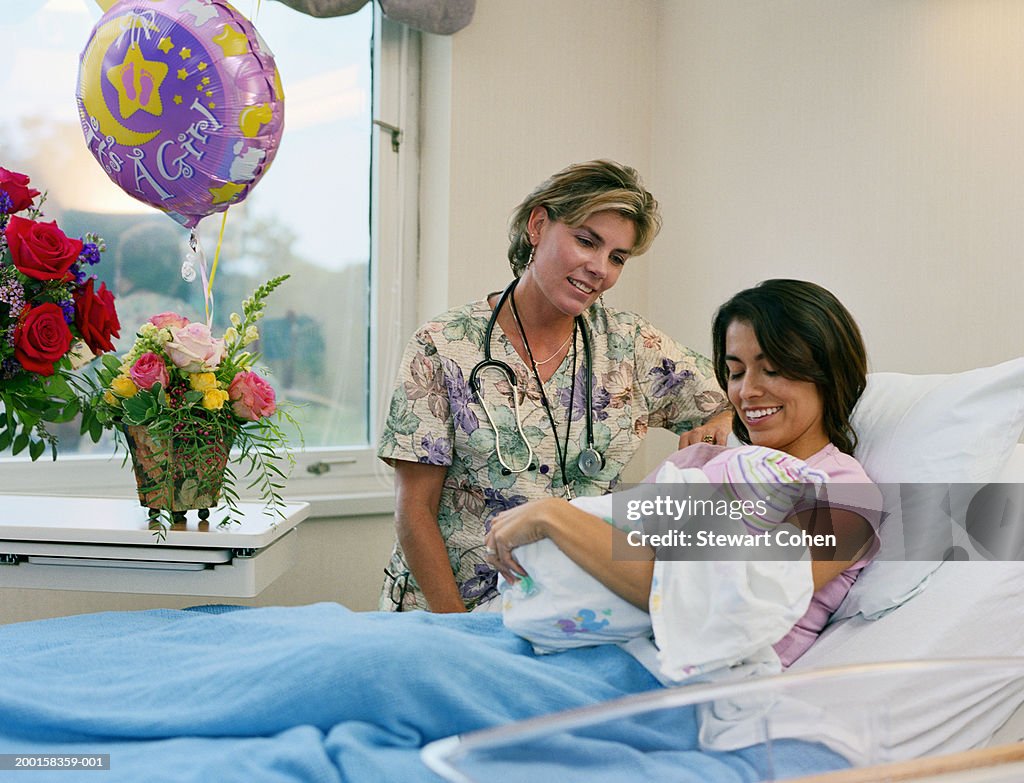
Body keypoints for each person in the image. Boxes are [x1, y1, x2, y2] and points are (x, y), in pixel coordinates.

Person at [378, 160, 732, 612]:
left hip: (574, 613)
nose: (600, 268)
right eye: (587, 241)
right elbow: (414, 511)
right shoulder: (444, 345)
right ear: (539, 225)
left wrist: (721, 419)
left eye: (617, 257)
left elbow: (744, 398)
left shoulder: (631, 346)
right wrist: (456, 630)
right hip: (449, 612)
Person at [485, 279, 882, 668]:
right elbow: (617, 542)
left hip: (670, 678)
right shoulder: (696, 464)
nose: (747, 392)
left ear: (829, 373)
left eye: (773, 369)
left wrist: (554, 517)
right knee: (426, 638)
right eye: (736, 372)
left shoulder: (846, 498)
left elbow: (715, 605)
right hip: (572, 641)